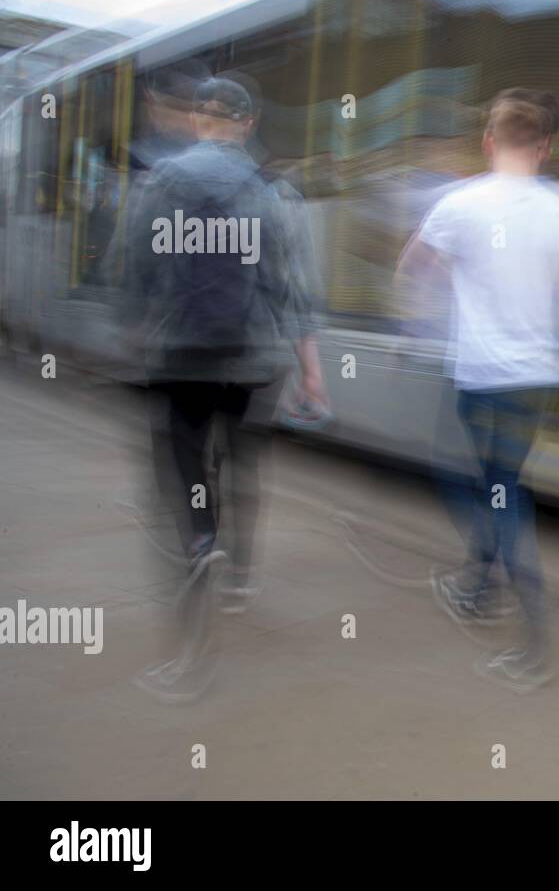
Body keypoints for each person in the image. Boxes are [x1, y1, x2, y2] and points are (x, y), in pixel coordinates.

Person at [116, 76, 327, 701]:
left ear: (199, 119)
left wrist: (135, 332)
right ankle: (238, 571)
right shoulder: (275, 192)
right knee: (242, 457)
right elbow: (296, 289)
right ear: (249, 120)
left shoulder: (157, 183)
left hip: (178, 355)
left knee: (183, 461)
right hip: (254, 359)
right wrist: (311, 368)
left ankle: (200, 542)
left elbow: (132, 272)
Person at [400, 89, 559, 691]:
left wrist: (418, 321)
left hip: (484, 378)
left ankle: (533, 633)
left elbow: (412, 267)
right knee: (502, 484)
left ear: (489, 142)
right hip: (539, 382)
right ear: (544, 147)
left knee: (484, 489)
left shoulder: (460, 205)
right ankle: (476, 588)